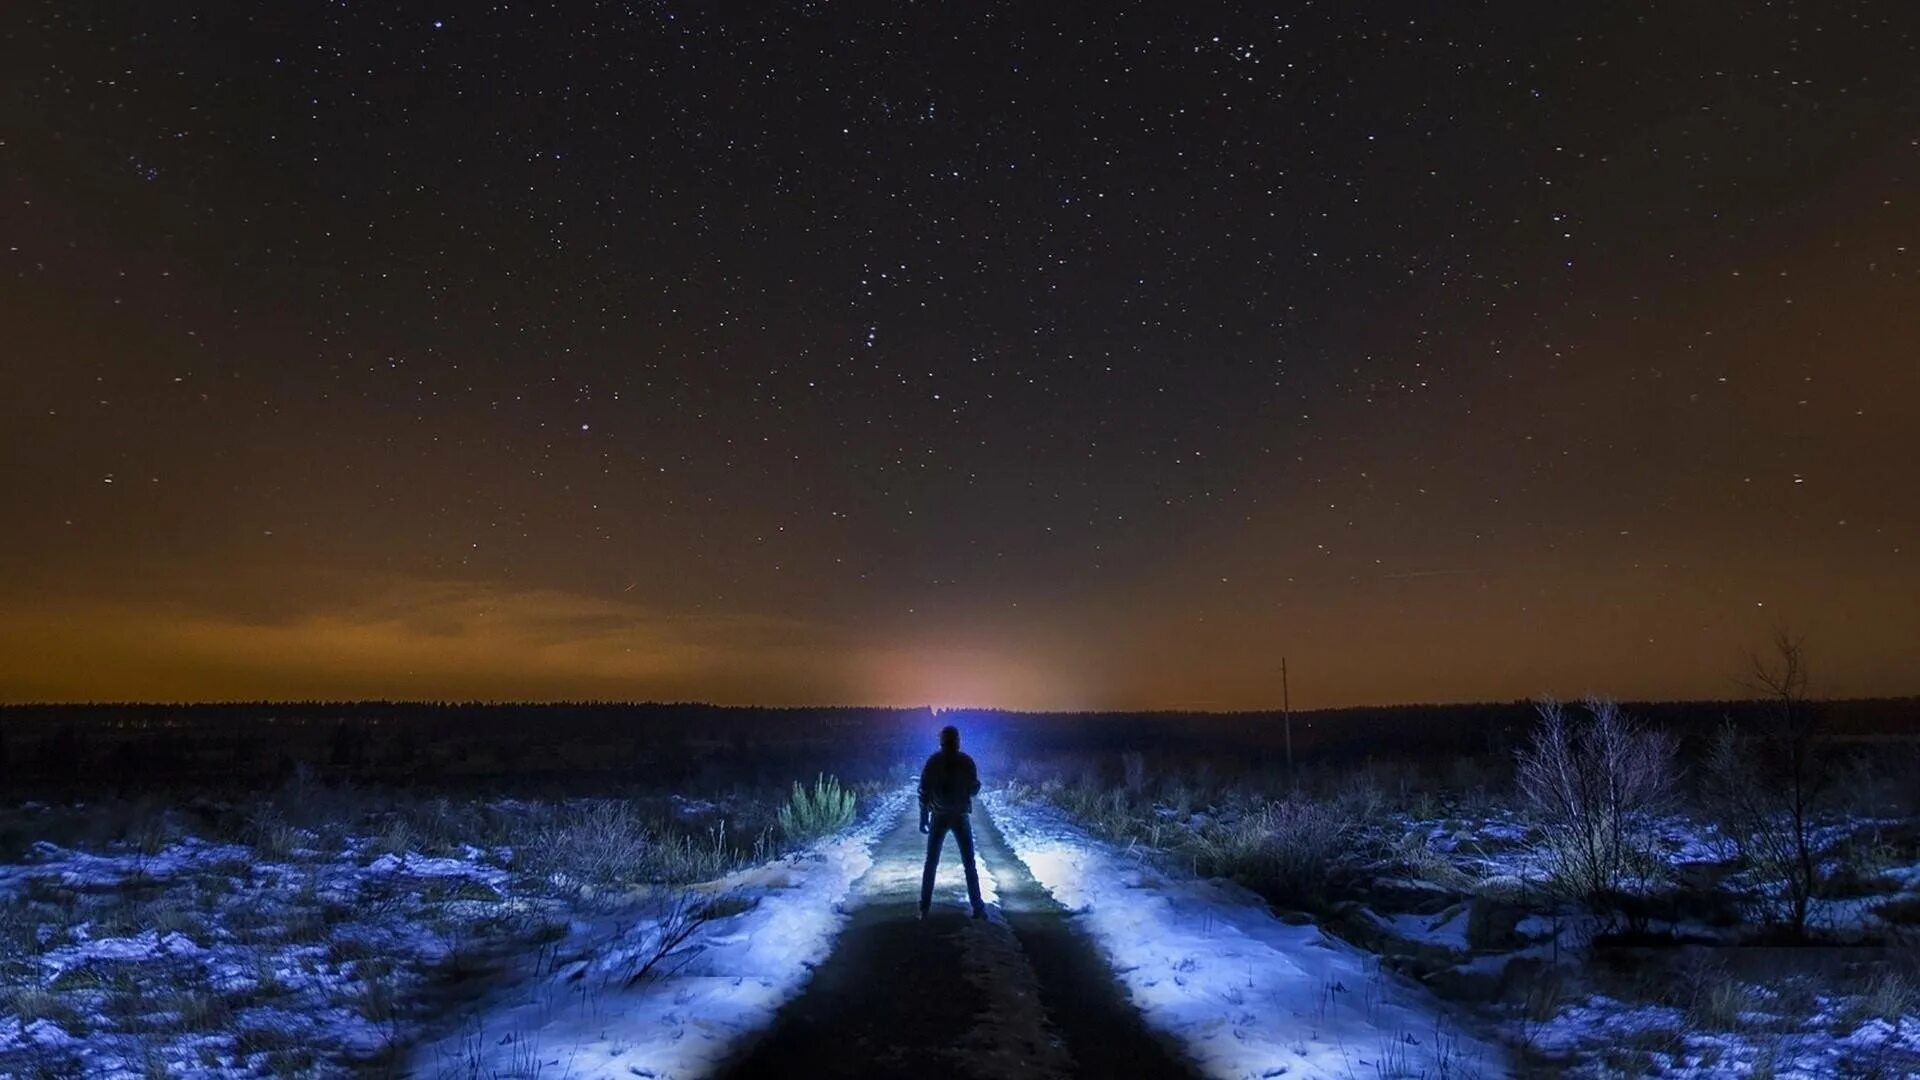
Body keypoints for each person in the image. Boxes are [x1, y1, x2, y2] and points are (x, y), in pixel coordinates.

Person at [918, 723, 986, 919]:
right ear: (957, 741)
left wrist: (923, 817)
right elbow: (973, 789)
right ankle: (978, 908)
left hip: (938, 817)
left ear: (941, 741)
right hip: (960, 817)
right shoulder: (966, 761)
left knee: (931, 863)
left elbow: (923, 791)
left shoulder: (933, 761)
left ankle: (924, 909)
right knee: (969, 864)